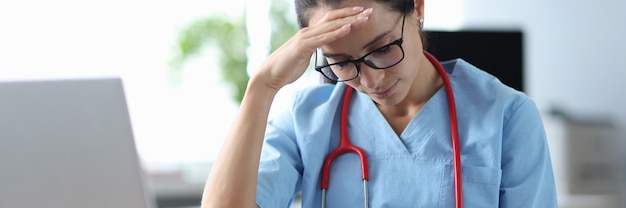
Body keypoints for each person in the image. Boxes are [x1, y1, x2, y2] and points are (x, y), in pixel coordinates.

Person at [201, 0, 558, 207]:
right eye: (341, 62)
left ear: (417, 7)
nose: (371, 81)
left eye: (384, 48)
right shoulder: (306, 119)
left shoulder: (506, 116)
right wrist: (262, 86)